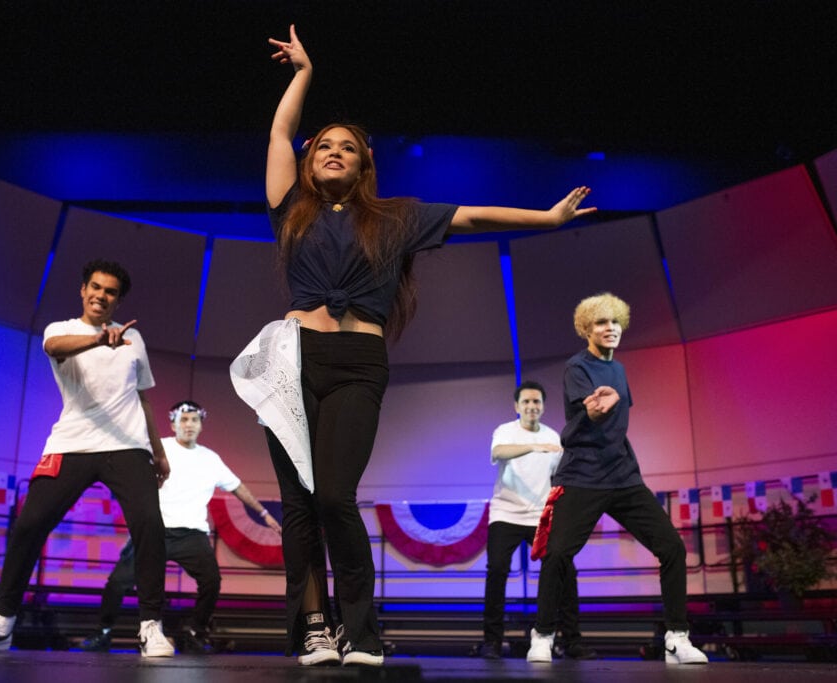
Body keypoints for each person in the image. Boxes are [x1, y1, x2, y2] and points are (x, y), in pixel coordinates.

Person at [238, 24, 595, 668]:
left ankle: (358, 629)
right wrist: (302, 75)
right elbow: (275, 136)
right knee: (297, 503)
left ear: (365, 163)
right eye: (324, 146)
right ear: (311, 156)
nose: (334, 153)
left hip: (357, 366)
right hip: (290, 364)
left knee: (335, 497)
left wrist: (547, 219)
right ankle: (313, 627)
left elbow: (475, 215)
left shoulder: (397, 216)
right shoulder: (289, 207)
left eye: (348, 148)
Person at [0, 259, 175, 657]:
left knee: (150, 527)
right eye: (95, 287)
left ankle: (151, 627)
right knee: (29, 525)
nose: (100, 295)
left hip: (128, 445)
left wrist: (159, 451)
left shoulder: (133, 339)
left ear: (118, 300)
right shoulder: (62, 330)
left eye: (110, 292)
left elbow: (143, 396)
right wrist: (100, 340)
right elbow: (55, 349)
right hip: (71, 443)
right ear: (83, 289)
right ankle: (1, 624)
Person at [526, 293, 708, 665]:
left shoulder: (620, 371)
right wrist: (596, 409)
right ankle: (542, 635)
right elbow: (589, 416)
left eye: (614, 322)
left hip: (623, 476)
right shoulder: (577, 367)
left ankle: (677, 638)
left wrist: (611, 404)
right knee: (557, 554)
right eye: (600, 323)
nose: (609, 329)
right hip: (582, 475)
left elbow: (617, 422)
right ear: (586, 329)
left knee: (672, 547)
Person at [80, 400, 282, 653]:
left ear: (201, 425)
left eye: (194, 420)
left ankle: (196, 632)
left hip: (192, 534)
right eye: (184, 420)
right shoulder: (158, 447)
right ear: (173, 423)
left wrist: (264, 513)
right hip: (154, 530)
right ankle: (103, 632)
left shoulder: (210, 458)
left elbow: (236, 486)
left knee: (211, 581)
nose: (189, 425)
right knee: (118, 582)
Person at [481, 381, 593, 660]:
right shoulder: (505, 431)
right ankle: (492, 642)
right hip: (505, 513)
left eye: (537, 402)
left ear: (543, 406)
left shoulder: (554, 437)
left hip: (541, 516)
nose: (532, 407)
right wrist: (533, 446)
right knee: (496, 570)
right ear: (516, 407)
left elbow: (563, 477)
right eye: (526, 402)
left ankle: (572, 641)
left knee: (565, 570)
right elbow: (497, 453)